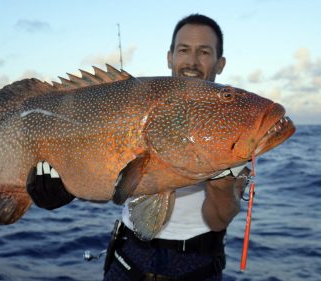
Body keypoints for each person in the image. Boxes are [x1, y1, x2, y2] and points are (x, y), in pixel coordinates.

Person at [27, 14, 251, 280]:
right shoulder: (139, 105)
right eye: (183, 50)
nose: (192, 61)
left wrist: (223, 180)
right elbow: (113, 184)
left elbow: (217, 219)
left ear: (220, 63)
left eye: (204, 52)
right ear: (170, 57)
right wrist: (64, 190)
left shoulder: (228, 125)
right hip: (128, 257)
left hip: (195, 266)